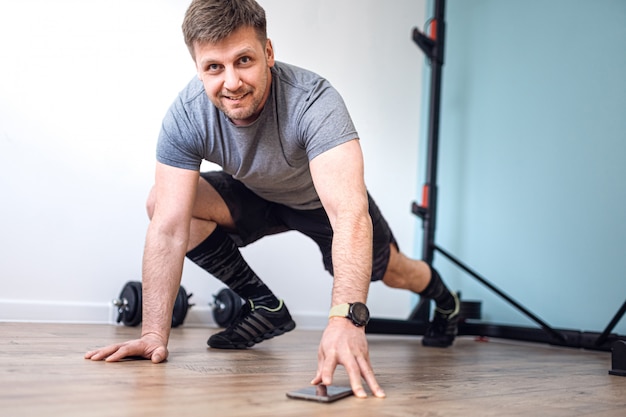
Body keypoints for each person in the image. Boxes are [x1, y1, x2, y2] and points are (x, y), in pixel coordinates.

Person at [85, 0, 460, 399]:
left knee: (392, 271)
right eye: (214, 67)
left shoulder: (313, 101)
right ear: (198, 68)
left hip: (320, 203)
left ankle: (445, 300)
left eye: (243, 60)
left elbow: (350, 216)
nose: (231, 82)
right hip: (257, 195)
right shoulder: (187, 115)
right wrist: (152, 334)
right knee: (161, 201)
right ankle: (264, 304)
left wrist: (346, 322)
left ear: (268, 53)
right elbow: (169, 227)